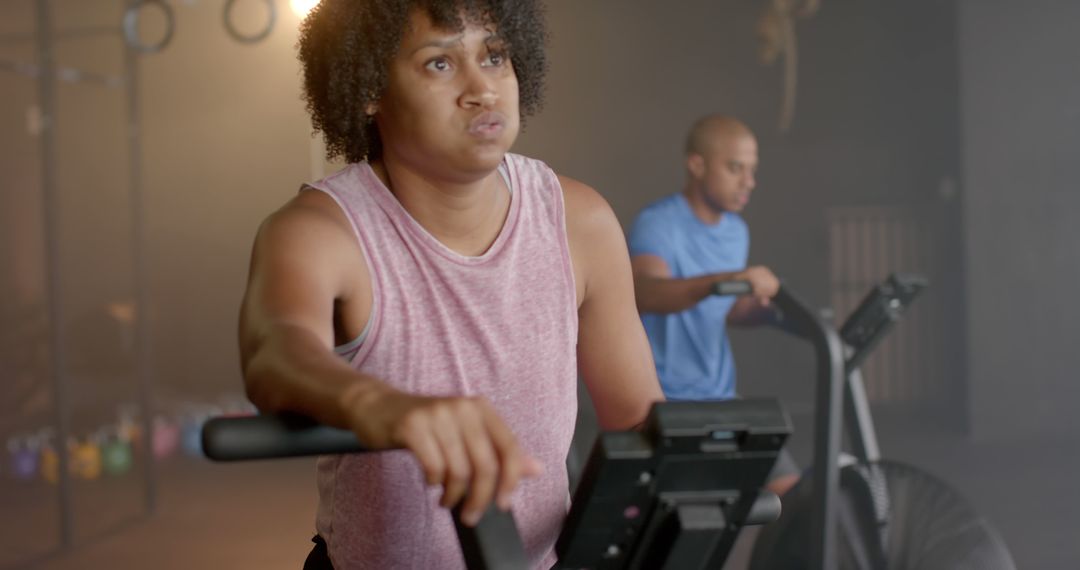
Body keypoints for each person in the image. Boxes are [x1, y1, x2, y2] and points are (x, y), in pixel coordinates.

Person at [237, 1, 664, 568]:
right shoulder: (320, 230)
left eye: (494, 57)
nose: (482, 90)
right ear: (370, 87)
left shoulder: (578, 221)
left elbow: (638, 421)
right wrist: (384, 407)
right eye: (440, 64)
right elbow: (275, 351)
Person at [627, 115, 799, 496]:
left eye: (752, 170)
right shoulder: (658, 223)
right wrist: (723, 282)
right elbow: (647, 293)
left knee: (791, 492)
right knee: (686, 512)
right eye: (736, 168)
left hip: (720, 394)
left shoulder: (737, 230)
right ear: (697, 164)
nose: (748, 182)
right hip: (666, 399)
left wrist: (769, 312)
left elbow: (726, 310)